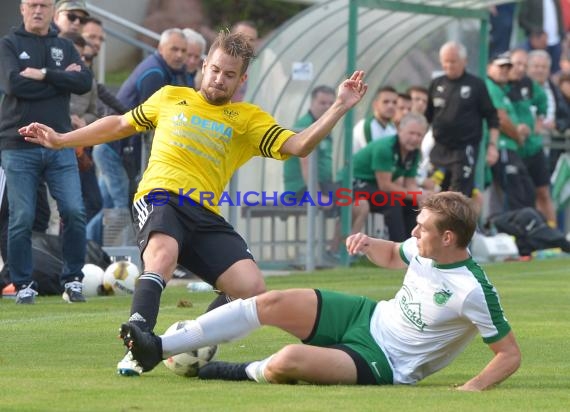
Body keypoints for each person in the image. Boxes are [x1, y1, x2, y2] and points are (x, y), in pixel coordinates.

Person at [20, 31, 368, 375]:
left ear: (241, 79)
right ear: (204, 65)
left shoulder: (248, 119)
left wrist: (339, 106)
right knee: (163, 255)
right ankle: (136, 339)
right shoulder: (171, 96)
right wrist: (64, 139)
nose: (219, 79)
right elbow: (120, 123)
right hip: (160, 196)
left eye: (229, 75)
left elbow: (299, 145)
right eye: (215, 70)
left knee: (252, 289)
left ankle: (181, 341)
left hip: (204, 212)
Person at [118, 191, 521, 390]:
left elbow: (509, 355)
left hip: (384, 362)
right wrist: (367, 244)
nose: (414, 231)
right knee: (269, 301)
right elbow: (396, 255)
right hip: (367, 316)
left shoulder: (472, 291)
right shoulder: (423, 247)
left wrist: (470, 389)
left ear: (449, 237)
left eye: (423, 227)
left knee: (287, 359)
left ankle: (234, 373)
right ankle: (159, 348)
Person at [0, 0, 92, 304]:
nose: (38, 10)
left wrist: (43, 73)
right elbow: (15, 85)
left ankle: (73, 279)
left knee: (74, 211)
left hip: (58, 141)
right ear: (23, 9)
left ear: (53, 10)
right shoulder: (9, 44)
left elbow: (84, 81)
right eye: (32, 4)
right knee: (22, 217)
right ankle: (23, 283)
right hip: (18, 142)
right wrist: (58, 78)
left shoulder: (63, 46)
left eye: (44, 5)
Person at [283, 85, 369, 254]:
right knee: (357, 204)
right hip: (302, 188)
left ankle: (339, 251)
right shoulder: (305, 125)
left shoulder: (324, 125)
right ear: (312, 103)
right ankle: (341, 251)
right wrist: (315, 194)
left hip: (322, 184)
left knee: (360, 204)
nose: (326, 106)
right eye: (322, 102)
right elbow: (305, 163)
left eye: (330, 103)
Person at [425, 41, 500, 198]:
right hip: (439, 148)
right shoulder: (436, 84)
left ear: (464, 61)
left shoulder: (476, 85)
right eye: (446, 61)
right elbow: (428, 117)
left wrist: (492, 146)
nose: (449, 65)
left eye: (453, 61)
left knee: (456, 195)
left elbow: (492, 117)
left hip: (464, 149)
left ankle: (455, 222)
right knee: (434, 192)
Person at [351, 112, 428, 242]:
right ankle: (398, 248)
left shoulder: (414, 153)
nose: (415, 138)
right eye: (411, 133)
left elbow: (410, 184)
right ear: (399, 130)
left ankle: (414, 247)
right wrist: (418, 194)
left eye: (419, 135)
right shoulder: (385, 148)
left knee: (413, 203)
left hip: (374, 187)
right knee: (392, 201)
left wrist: (423, 196)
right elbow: (385, 186)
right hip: (353, 184)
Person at [508, 48, 557, 226]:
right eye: (517, 64)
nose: (520, 68)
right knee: (523, 194)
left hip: (534, 148)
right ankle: (525, 234)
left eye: (523, 64)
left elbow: (542, 101)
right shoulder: (503, 84)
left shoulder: (530, 85)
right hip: (515, 149)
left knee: (543, 191)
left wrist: (539, 119)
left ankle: (553, 234)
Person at [485, 52, 535, 212]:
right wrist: (518, 136)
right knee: (516, 196)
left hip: (508, 149)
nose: (505, 70)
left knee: (522, 192)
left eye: (508, 67)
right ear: (488, 67)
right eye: (500, 66)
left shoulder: (502, 90)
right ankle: (514, 234)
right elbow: (501, 119)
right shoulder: (490, 86)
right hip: (502, 148)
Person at [519, 0, 564, 74]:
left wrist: (562, 35)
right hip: (537, 43)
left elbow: (559, 18)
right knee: (537, 70)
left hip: (556, 42)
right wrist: (537, 32)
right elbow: (522, 20)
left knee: (556, 71)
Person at [352, 85, 398, 153]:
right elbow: (372, 156)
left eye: (394, 102)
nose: (391, 106)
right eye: (386, 102)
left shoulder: (393, 129)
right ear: (375, 105)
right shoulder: (366, 126)